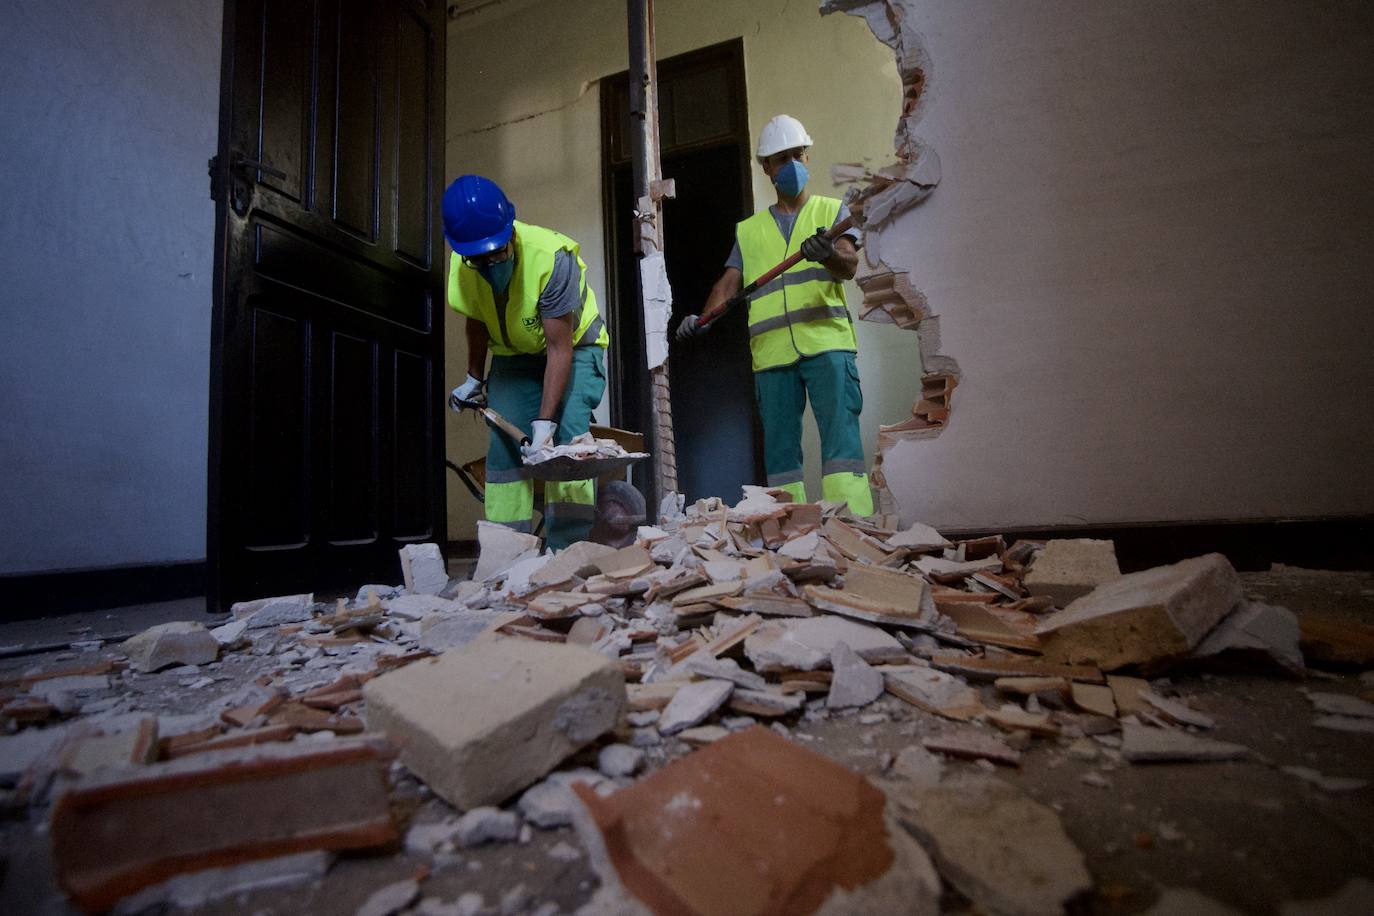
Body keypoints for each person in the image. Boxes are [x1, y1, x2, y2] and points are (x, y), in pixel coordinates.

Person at [677, 114, 874, 516]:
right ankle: (790, 532)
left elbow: (850, 265)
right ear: (766, 168)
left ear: (807, 156)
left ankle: (855, 528)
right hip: (772, 355)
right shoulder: (749, 231)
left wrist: (829, 254)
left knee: (842, 448)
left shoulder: (832, 211)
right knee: (781, 457)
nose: (791, 165)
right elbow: (731, 283)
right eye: (781, 159)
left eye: (797, 155)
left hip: (828, 346)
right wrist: (701, 319)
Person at [443, 174, 610, 550]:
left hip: (575, 348)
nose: (489, 264)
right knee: (504, 446)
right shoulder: (463, 263)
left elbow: (558, 349)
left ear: (509, 232)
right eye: (478, 259)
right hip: (513, 356)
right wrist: (473, 377)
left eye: (497, 253)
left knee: (568, 445)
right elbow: (477, 319)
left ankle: (568, 551)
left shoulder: (551, 258)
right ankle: (506, 554)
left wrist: (544, 424)